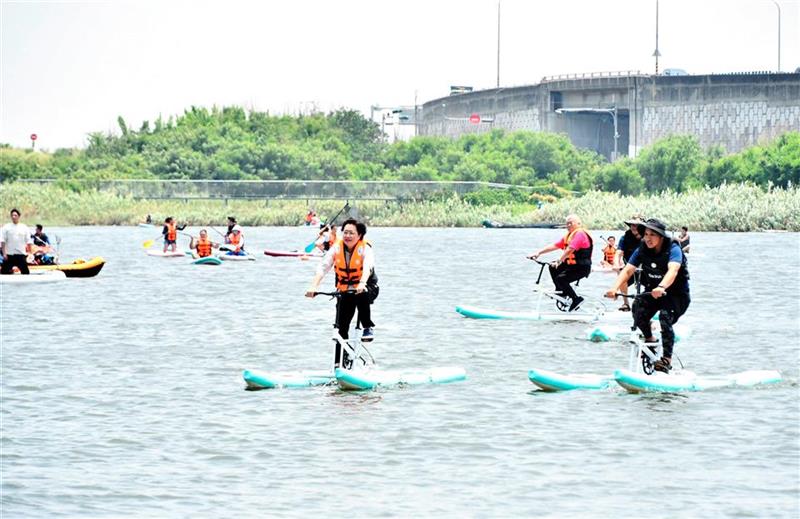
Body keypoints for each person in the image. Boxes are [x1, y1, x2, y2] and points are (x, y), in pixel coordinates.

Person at [605, 218, 690, 374]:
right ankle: (650, 340)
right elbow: (628, 270)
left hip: (677, 296)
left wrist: (662, 286)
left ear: (661, 236)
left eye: (652, 234)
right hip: (653, 292)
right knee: (638, 308)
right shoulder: (642, 248)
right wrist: (614, 288)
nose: (648, 238)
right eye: (646, 234)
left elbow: (673, 270)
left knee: (665, 317)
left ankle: (666, 360)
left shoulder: (673, 248)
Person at [306, 219, 378, 366]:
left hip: (367, 288)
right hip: (345, 291)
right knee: (340, 330)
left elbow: (367, 268)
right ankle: (339, 365)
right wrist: (313, 286)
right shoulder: (336, 248)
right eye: (345, 232)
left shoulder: (365, 249)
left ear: (360, 235)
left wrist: (362, 283)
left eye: (352, 233)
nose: (348, 236)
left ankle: (367, 327)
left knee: (361, 293)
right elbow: (324, 267)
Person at [528, 214, 593, 312]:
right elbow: (555, 245)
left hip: (581, 267)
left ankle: (576, 299)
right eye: (567, 223)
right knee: (552, 267)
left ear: (578, 223)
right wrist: (538, 253)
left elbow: (570, 250)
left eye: (571, 223)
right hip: (571, 266)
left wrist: (559, 260)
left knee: (561, 279)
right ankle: (562, 292)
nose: (568, 225)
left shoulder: (580, 234)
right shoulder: (569, 236)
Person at [614, 215, 645, 311]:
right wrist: (616, 264)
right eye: (632, 225)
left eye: (636, 225)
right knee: (621, 278)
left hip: (646, 267)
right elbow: (618, 252)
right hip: (630, 267)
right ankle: (626, 304)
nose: (633, 227)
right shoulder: (625, 237)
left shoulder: (648, 237)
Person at [1, 209, 32, 275]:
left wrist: (30, 253)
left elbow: (28, 241)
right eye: (12, 215)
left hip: (21, 255)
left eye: (15, 215)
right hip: (9, 255)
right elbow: (2, 241)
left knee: (26, 273)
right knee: (3, 273)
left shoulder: (24, 227)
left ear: (19, 216)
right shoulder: (6, 227)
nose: (13, 217)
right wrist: (4, 253)